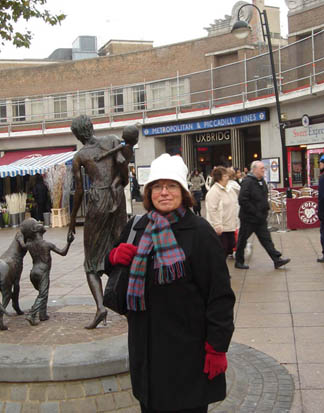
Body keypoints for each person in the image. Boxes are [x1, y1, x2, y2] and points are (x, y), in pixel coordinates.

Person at [105, 153, 235, 412]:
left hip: (186, 351)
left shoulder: (199, 232)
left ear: (183, 192)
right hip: (145, 347)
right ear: (149, 191)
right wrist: (113, 258)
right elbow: (115, 270)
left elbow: (220, 295)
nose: (164, 192)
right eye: (157, 186)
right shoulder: (137, 226)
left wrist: (217, 347)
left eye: (171, 185)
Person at [67, 115, 130, 329]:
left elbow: (78, 191)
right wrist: (117, 183)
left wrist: (72, 220)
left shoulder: (80, 156)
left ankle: (101, 307)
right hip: (116, 197)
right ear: (92, 127)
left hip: (97, 200)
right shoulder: (112, 140)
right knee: (119, 249)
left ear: (76, 135)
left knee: (91, 262)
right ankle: (130, 300)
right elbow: (123, 167)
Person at [235, 161, 290, 270]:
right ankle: (239, 261)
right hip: (249, 218)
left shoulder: (262, 181)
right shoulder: (247, 182)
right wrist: (255, 211)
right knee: (242, 239)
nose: (264, 170)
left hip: (260, 218)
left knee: (266, 239)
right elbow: (242, 200)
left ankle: (276, 259)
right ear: (254, 169)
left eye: (264, 168)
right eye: (261, 169)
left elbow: (263, 198)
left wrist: (265, 210)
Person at [21, 218, 73, 325]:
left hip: (33, 273)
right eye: (37, 224)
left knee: (42, 293)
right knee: (43, 294)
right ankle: (32, 314)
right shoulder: (47, 245)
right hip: (43, 272)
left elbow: (23, 245)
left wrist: (20, 238)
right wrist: (69, 243)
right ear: (35, 230)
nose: (40, 224)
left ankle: (43, 314)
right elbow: (63, 252)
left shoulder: (29, 244)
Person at [205, 167, 238, 257]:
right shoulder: (214, 192)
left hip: (230, 225)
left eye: (227, 175)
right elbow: (212, 209)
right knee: (222, 250)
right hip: (221, 228)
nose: (227, 177)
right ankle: (218, 268)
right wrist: (217, 225)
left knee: (231, 246)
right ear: (219, 177)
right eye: (225, 175)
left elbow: (235, 204)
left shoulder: (230, 189)